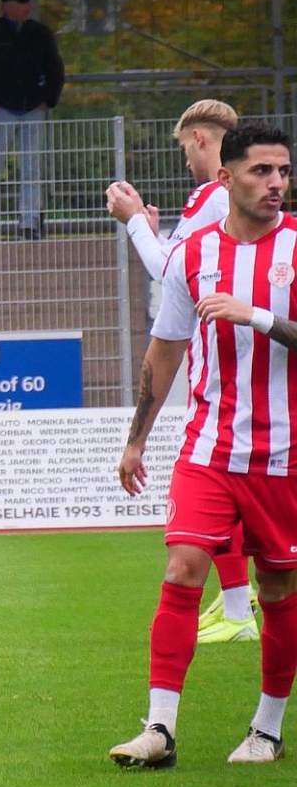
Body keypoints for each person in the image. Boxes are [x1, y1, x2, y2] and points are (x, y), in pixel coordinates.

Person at [112, 121, 297, 768]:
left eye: (282, 171)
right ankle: (159, 728)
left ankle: (266, 730)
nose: (275, 182)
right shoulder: (193, 255)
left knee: (278, 589)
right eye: (261, 170)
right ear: (226, 177)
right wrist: (136, 441)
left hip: (284, 457)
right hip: (208, 450)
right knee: (182, 568)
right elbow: (164, 352)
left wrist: (258, 316)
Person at [105, 98, 258, 645]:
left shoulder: (214, 193)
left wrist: (134, 224)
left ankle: (240, 611)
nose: (186, 162)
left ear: (198, 138)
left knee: (217, 483)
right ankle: (236, 605)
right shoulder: (224, 199)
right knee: (224, 484)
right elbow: (182, 263)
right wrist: (153, 231)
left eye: (184, 150)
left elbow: (169, 270)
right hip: (230, 360)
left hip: (228, 369)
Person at [0, 0, 64, 241]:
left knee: (31, 168)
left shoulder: (40, 33)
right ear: (8, 6)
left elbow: (55, 68)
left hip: (32, 108)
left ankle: (29, 223)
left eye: (28, 2)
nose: (28, 6)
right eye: (23, 2)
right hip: (1, 109)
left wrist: (48, 100)